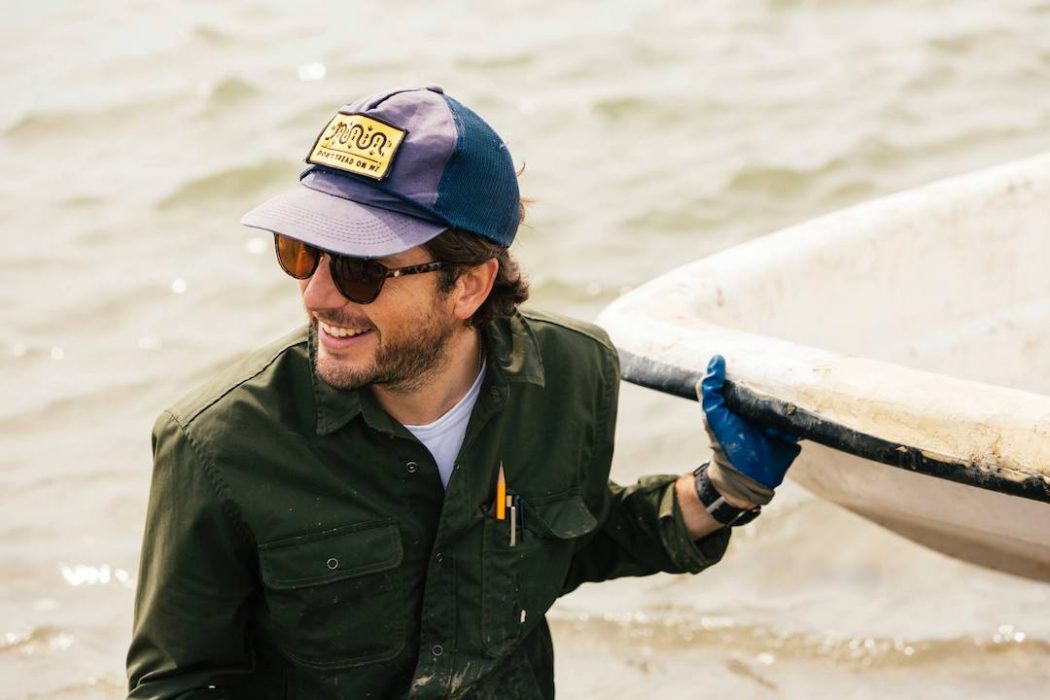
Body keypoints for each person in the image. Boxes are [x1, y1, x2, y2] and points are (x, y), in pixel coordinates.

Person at [126, 86, 801, 699]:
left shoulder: (572, 371)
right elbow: (176, 686)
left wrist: (727, 489)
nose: (316, 294)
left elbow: (565, 543)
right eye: (301, 252)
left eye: (360, 269)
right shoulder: (216, 446)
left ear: (469, 286)